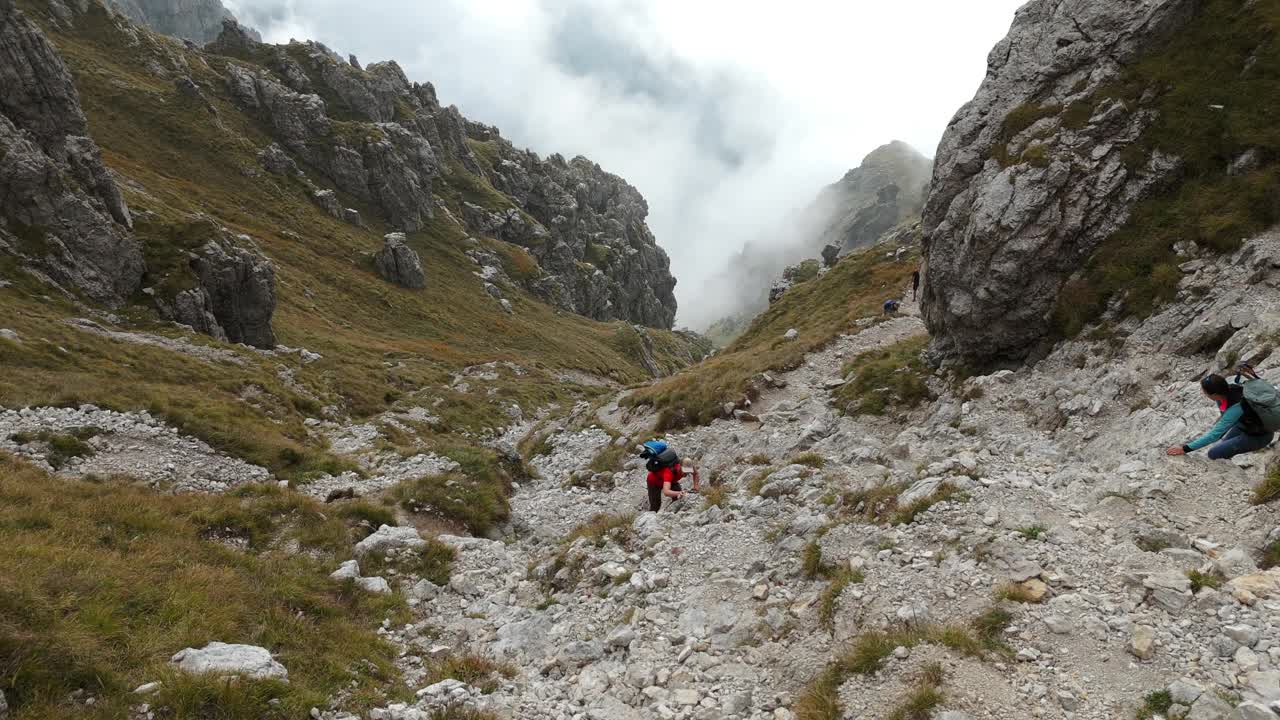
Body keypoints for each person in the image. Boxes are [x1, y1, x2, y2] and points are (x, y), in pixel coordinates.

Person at [1166, 373, 1275, 460]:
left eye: (1204, 391)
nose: (1202, 392)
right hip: (1245, 426)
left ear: (1213, 395)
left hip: (1259, 436)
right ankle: (1227, 459)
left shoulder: (1235, 408)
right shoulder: (1229, 389)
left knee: (1213, 454)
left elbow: (1214, 435)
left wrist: (1185, 449)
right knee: (1222, 447)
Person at [640, 440, 699, 512]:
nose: (686, 475)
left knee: (678, 498)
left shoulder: (688, 466)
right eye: (684, 472)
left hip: (671, 481)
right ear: (680, 467)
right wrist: (679, 493)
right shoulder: (669, 472)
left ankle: (673, 513)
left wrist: (696, 487)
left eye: (688, 473)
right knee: (655, 506)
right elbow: (666, 492)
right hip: (654, 482)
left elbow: (696, 474)